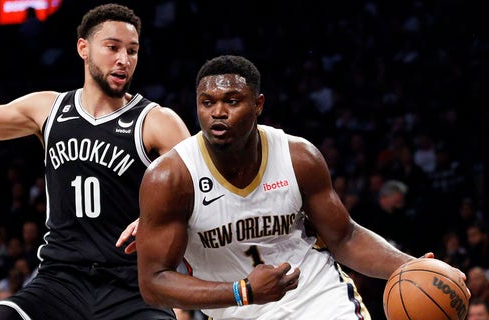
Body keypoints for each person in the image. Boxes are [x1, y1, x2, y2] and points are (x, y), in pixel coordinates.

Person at [0, 3, 190, 320]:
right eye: (113, 47)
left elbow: (205, 185)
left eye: (133, 51)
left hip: (132, 286)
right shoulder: (48, 108)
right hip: (60, 282)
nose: (124, 59)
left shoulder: (156, 120)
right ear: (83, 47)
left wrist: (155, 214)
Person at [135, 55, 465, 319]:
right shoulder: (171, 178)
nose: (217, 113)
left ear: (258, 104)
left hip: (318, 298)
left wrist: (412, 266)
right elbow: (153, 283)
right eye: (207, 103)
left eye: (232, 101)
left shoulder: (298, 157)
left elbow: (345, 236)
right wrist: (242, 291)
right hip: (236, 311)